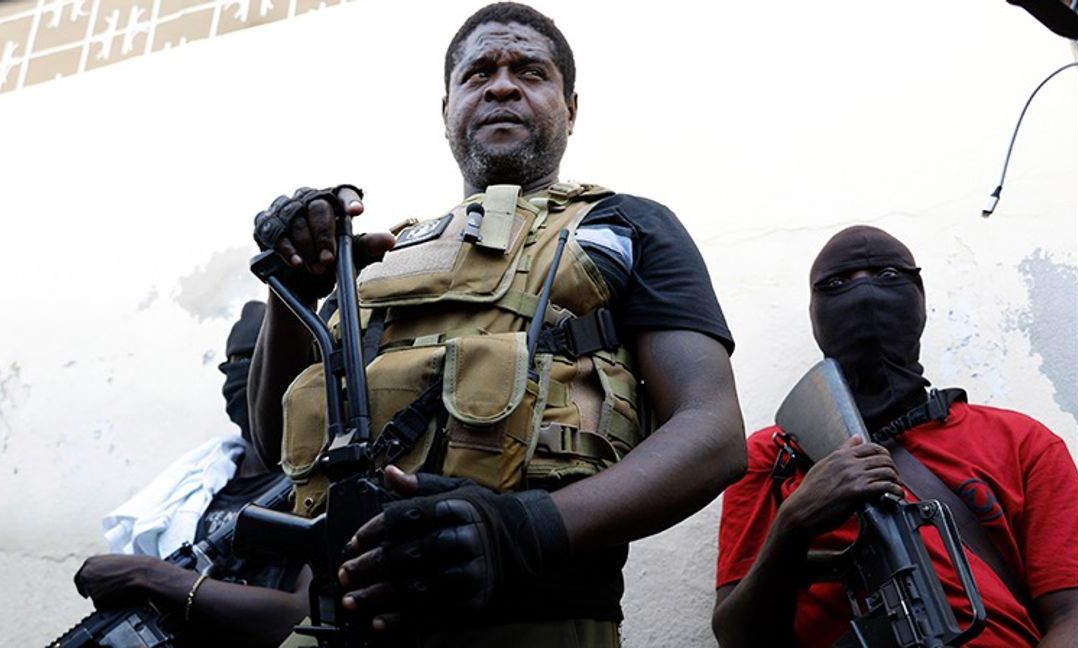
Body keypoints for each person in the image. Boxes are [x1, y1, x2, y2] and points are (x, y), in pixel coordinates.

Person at [246, 2, 747, 645]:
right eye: (478, 73)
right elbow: (272, 444)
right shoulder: (376, 259)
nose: (503, 84)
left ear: (570, 107)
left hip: (537, 619)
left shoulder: (626, 225)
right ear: (447, 110)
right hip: (339, 625)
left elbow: (712, 431)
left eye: (530, 71)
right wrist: (292, 291)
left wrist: (524, 530)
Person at [713, 225, 1078, 647]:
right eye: (836, 285)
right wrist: (795, 523)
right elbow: (738, 638)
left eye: (888, 276)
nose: (864, 295)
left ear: (918, 298)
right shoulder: (774, 454)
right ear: (816, 314)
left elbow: (1072, 615)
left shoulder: (1022, 441)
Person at [72, 301, 312, 647]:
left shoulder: (321, 481)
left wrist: (147, 574)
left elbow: (301, 620)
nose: (240, 373)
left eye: (253, 360)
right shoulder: (198, 484)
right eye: (233, 363)